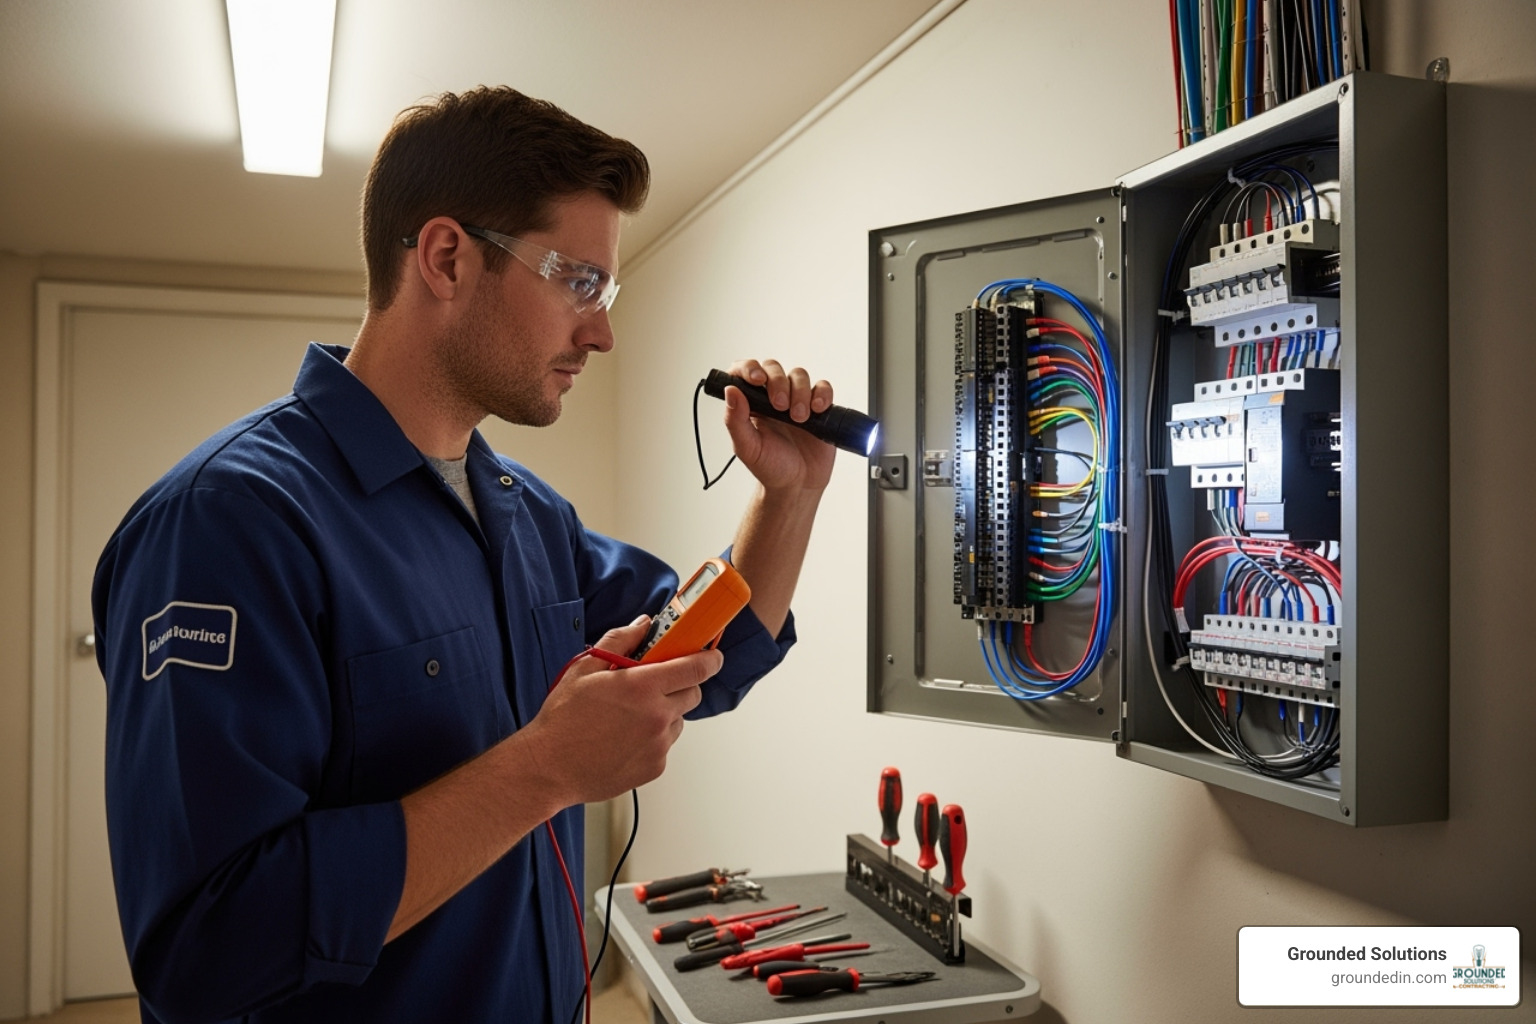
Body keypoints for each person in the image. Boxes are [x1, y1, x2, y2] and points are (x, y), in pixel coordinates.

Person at [91, 86, 837, 1024]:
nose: (603, 330)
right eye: (578, 281)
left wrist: (791, 495)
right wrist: (546, 770)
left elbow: (707, 658)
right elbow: (208, 949)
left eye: (609, 292)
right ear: (446, 257)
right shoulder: (227, 523)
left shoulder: (529, 517)